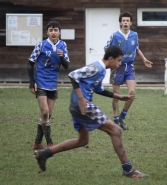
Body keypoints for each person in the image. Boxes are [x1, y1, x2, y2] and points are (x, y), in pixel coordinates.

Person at [33, 46, 148, 178]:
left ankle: (44, 154)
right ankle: (128, 170)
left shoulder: (101, 71)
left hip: (76, 106)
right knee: (116, 130)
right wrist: (82, 99)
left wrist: (120, 97)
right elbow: (73, 75)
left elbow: (99, 89)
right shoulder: (97, 67)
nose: (120, 63)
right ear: (111, 58)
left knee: (82, 141)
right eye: (119, 60)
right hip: (83, 106)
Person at [104, 11, 153, 130]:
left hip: (129, 67)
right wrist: (108, 63)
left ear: (131, 23)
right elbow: (106, 49)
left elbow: (137, 48)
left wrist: (144, 59)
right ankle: (115, 120)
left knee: (132, 94)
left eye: (127, 21)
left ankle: (122, 116)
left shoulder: (134, 35)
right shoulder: (115, 35)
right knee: (116, 95)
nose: (125, 22)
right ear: (120, 23)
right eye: (123, 21)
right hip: (117, 67)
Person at [28, 20, 70, 150]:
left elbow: (66, 66)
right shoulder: (41, 45)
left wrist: (62, 57)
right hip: (40, 82)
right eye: (51, 30)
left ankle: (37, 142)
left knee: (48, 115)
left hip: (53, 84)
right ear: (47, 32)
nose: (53, 32)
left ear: (59, 32)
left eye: (55, 30)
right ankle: (50, 143)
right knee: (45, 112)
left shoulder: (63, 45)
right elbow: (30, 63)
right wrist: (31, 82)